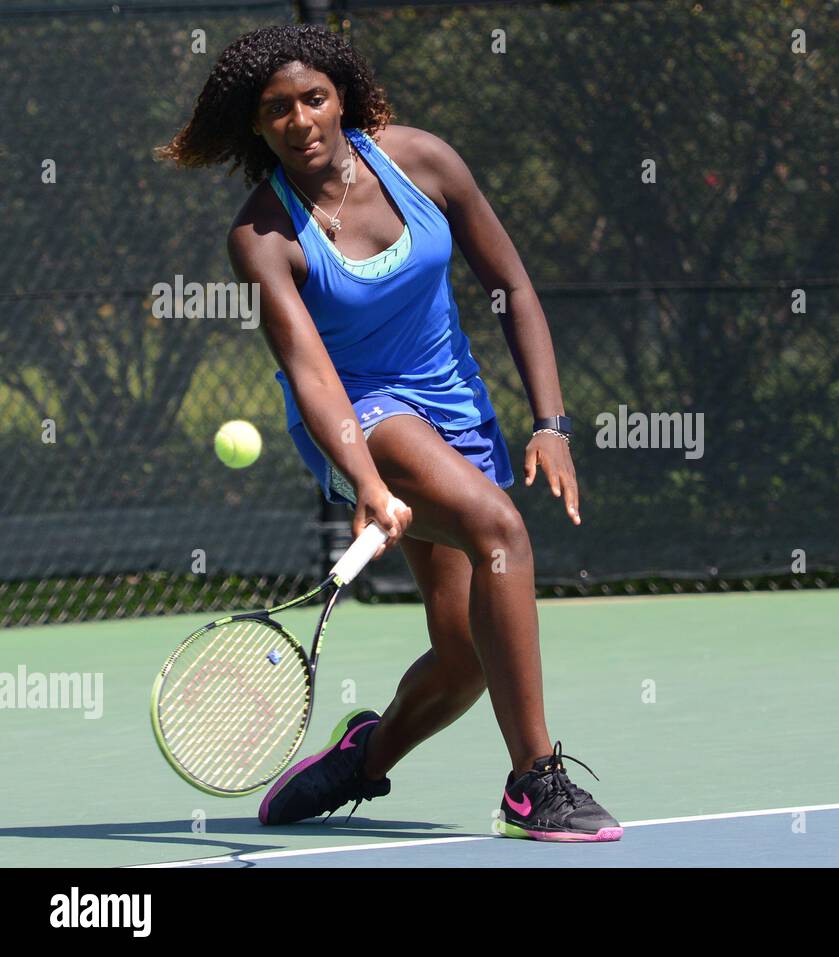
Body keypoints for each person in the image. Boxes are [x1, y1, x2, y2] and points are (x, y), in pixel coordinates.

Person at [155, 23, 621, 842]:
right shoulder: (261, 236)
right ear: (253, 126)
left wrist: (550, 422)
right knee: (499, 528)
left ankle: (362, 758)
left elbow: (510, 284)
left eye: (313, 98)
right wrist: (367, 482)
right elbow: (310, 370)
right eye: (276, 110)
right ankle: (534, 783)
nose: (300, 121)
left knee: (469, 655)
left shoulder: (423, 162)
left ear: (341, 97)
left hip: (456, 407)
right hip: (356, 418)